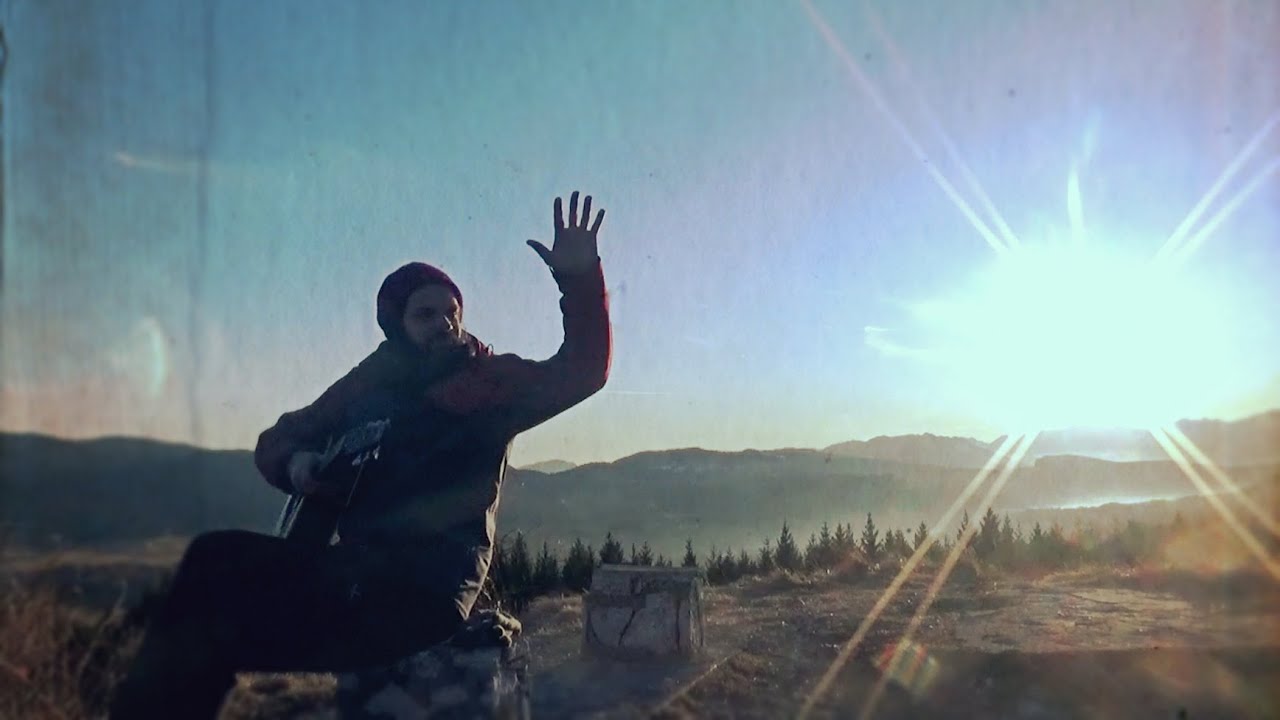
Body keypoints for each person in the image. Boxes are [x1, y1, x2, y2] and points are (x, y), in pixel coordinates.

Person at [110, 191, 611, 718]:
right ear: (396, 324)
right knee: (211, 560)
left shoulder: (487, 382)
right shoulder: (370, 383)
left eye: (452, 312)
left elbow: (583, 371)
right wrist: (297, 465)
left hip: (424, 590)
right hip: (353, 573)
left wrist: (579, 279)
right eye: (426, 314)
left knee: (208, 639)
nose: (444, 324)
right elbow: (278, 438)